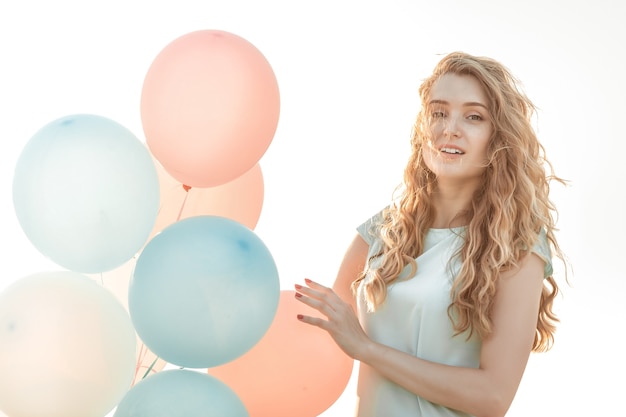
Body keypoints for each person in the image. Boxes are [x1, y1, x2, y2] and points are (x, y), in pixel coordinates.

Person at [294, 51, 567, 417]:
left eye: (473, 116)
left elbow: (493, 397)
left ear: (498, 137)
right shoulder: (379, 232)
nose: (449, 128)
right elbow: (320, 347)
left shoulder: (515, 245)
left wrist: (368, 350)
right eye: (438, 112)